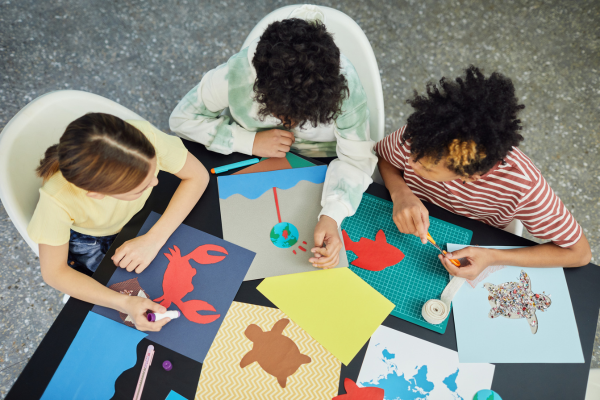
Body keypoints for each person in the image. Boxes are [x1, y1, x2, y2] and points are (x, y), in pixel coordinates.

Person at [169, 6, 377, 269]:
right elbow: (181, 119)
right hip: (246, 156)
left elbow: (356, 160)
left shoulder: (346, 90)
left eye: (304, 118)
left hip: (322, 167)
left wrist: (332, 216)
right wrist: (249, 141)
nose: (291, 125)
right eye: (284, 115)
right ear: (260, 89)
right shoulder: (235, 76)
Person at [376, 66, 591, 279]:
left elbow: (579, 254)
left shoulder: (523, 185)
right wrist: (400, 193)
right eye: (413, 152)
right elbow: (386, 158)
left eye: (428, 168)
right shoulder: (422, 135)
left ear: (469, 176)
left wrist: (491, 257)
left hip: (475, 237)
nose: (411, 162)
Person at [28, 113, 209, 331]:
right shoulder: (56, 201)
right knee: (109, 281)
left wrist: (154, 238)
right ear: (96, 194)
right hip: (88, 238)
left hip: (133, 218)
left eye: (154, 170)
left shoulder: (143, 139)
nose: (155, 181)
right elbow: (54, 273)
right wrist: (123, 303)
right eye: (140, 188)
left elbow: (198, 176)